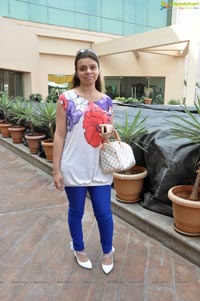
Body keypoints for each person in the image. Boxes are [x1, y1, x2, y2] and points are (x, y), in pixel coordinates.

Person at [53, 48, 115, 274]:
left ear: (98, 70)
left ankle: (108, 251)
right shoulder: (65, 99)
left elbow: (110, 131)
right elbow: (59, 135)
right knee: (76, 211)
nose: (88, 71)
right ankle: (78, 248)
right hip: (73, 165)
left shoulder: (107, 101)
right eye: (83, 68)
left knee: (103, 212)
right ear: (77, 72)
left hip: (99, 165)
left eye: (92, 67)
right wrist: (56, 170)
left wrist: (108, 129)